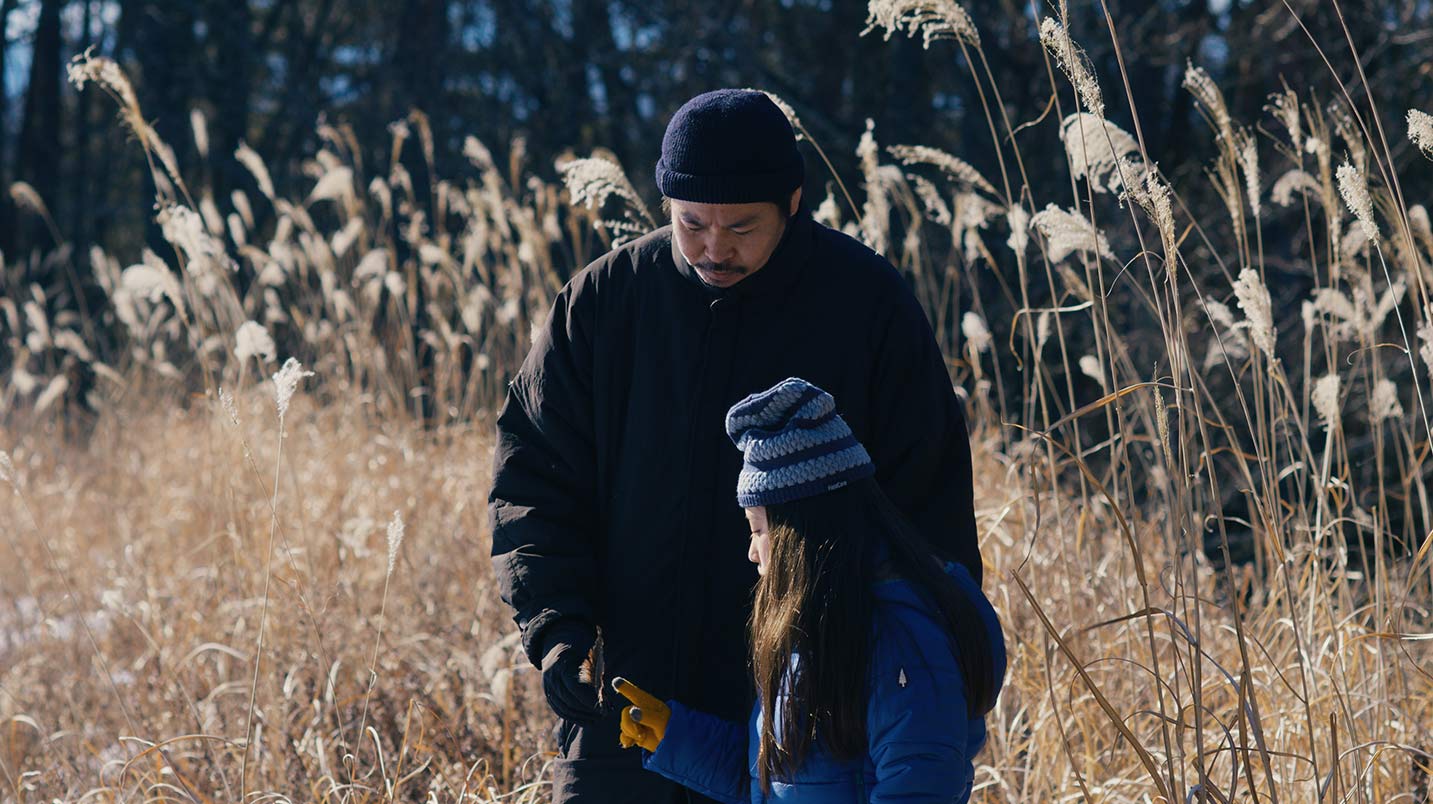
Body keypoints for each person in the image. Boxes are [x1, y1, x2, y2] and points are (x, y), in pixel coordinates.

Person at [488, 88, 982, 803]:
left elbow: (925, 510)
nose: (714, 248)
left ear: (793, 200)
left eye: (742, 227)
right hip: (630, 708)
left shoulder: (866, 306)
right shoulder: (603, 302)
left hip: (809, 711)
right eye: (691, 224)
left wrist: (905, 669)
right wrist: (556, 625)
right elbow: (533, 480)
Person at [612, 377, 1005, 803]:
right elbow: (776, 784)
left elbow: (922, 788)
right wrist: (676, 738)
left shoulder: (902, 639)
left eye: (758, 529)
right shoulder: (818, 631)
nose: (751, 552)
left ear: (796, 535)